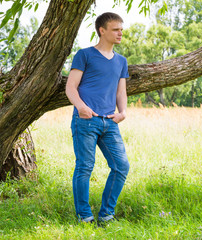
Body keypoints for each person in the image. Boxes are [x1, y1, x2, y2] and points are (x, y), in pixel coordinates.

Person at [65, 12, 130, 224]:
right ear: (102, 31)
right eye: (115, 29)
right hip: (86, 120)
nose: (120, 32)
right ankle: (84, 215)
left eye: (121, 29)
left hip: (110, 122)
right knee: (85, 167)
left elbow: (121, 92)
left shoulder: (121, 61)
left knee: (121, 166)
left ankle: (106, 214)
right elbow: (70, 87)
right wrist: (81, 108)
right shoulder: (84, 55)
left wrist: (122, 113)